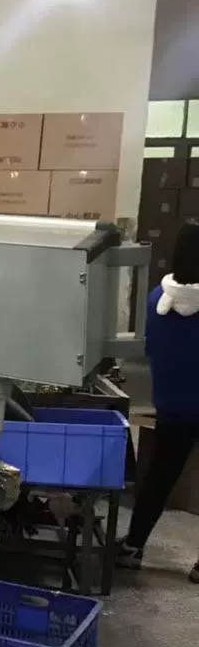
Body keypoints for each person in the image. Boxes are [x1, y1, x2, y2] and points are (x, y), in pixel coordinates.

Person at [122, 222, 199, 580]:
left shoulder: (157, 300)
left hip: (171, 407)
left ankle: (133, 545)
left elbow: (150, 349)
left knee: (159, 477)